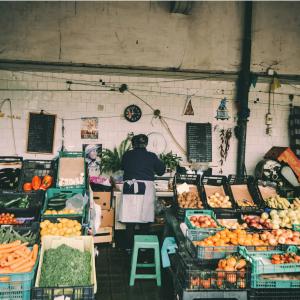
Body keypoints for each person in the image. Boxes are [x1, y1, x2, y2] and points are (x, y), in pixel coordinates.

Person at [118, 134, 166, 252]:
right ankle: (143, 247)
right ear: (146, 144)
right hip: (146, 189)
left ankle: (129, 247)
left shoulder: (127, 155)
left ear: (133, 144)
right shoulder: (152, 156)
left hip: (130, 187)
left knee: (130, 219)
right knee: (145, 219)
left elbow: (122, 167)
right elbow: (161, 171)